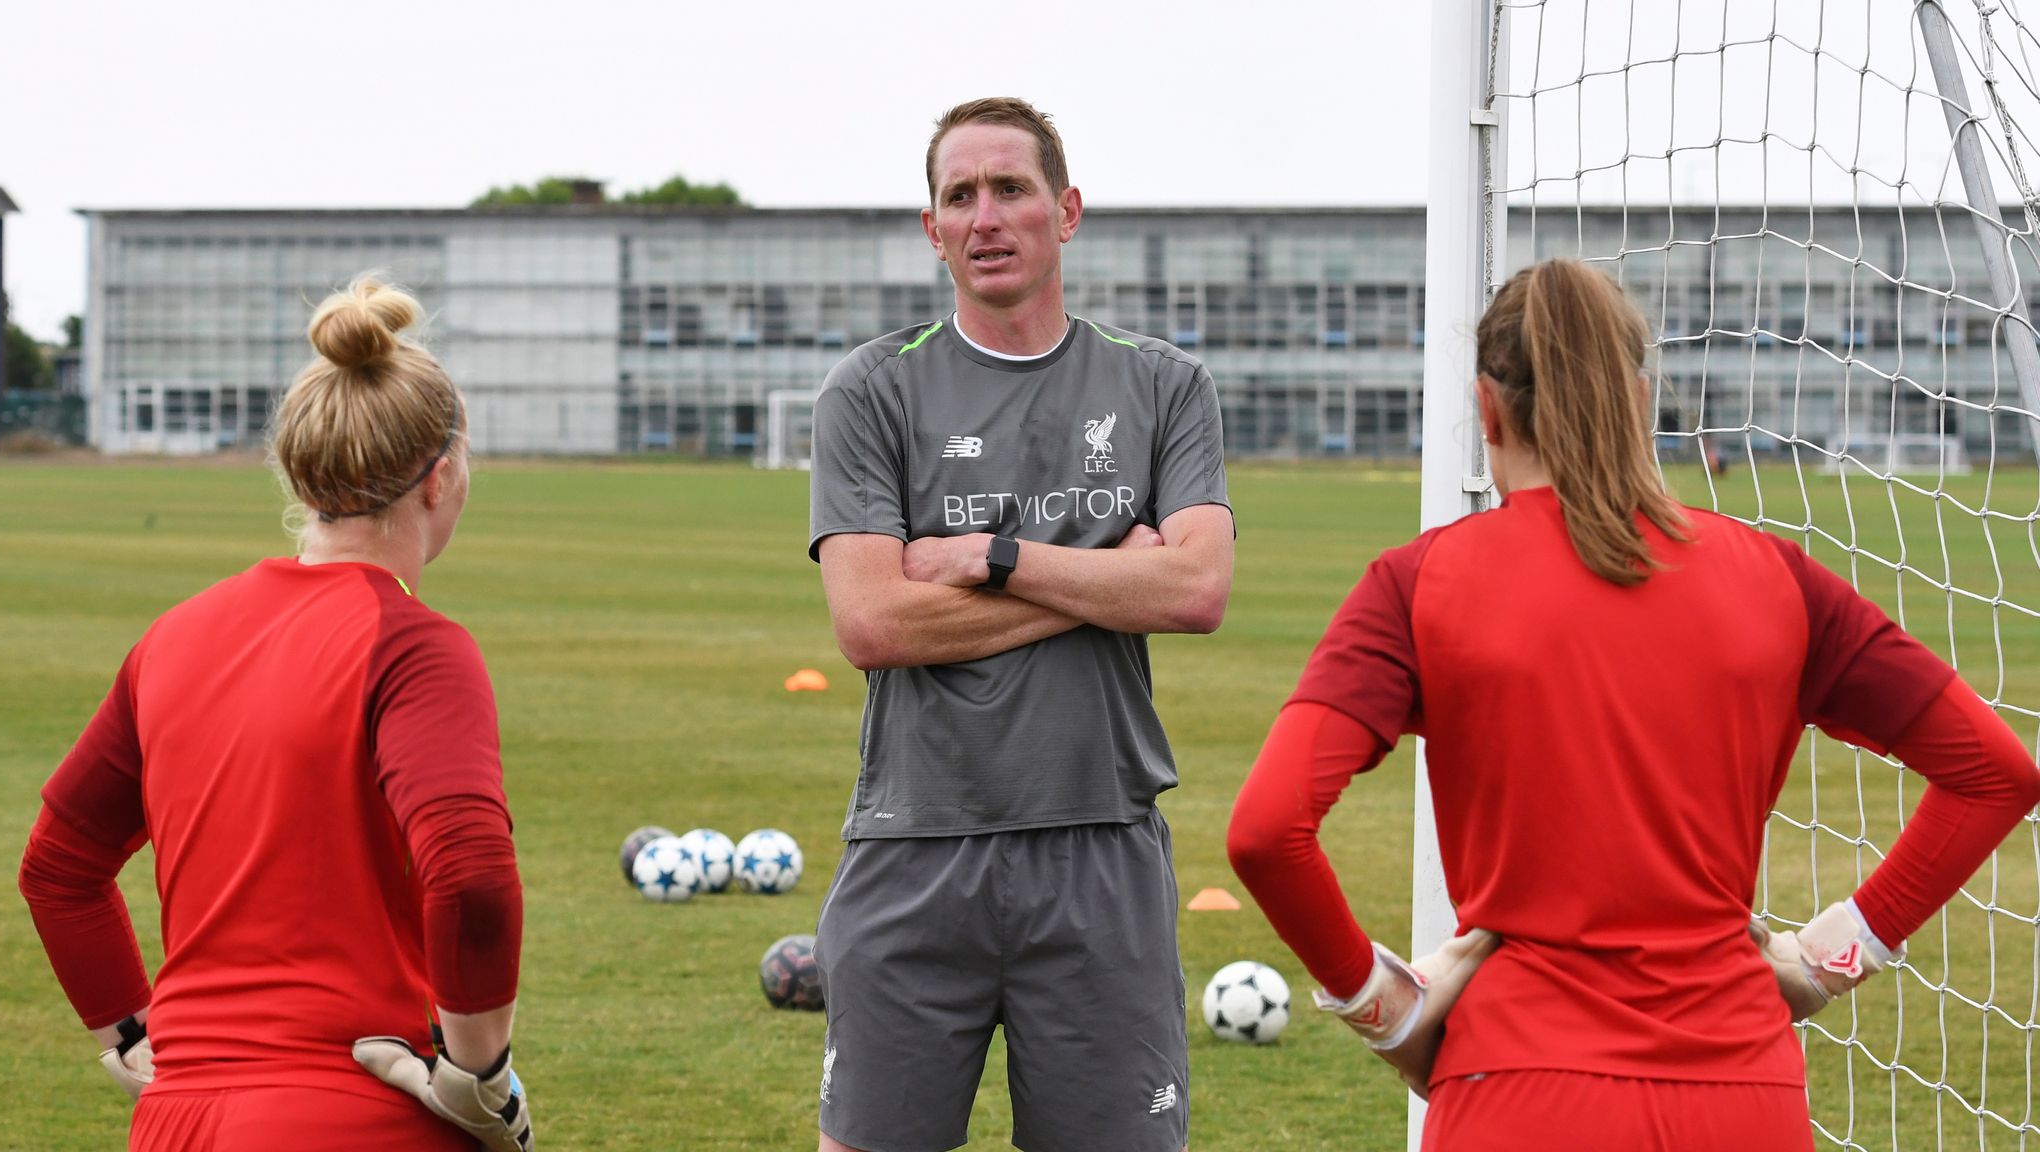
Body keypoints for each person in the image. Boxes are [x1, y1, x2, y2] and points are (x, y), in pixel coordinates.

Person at [1225, 258, 2040, 1150]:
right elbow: (1995, 774)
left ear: (1487, 411)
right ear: (1641, 399)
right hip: (1743, 1096)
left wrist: (1385, 1009)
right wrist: (1827, 958)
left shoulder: (1417, 583)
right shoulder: (1778, 579)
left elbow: (1267, 829)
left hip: (1518, 1089)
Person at [17, 277, 533, 1152]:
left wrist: (130, 1034)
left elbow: (57, 869)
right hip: (352, 1113)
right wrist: (477, 1077)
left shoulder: (172, 638)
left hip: (175, 1121)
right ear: (440, 479)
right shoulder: (414, 643)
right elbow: (473, 876)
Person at [808, 96, 1234, 1152]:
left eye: (1011, 189)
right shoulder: (869, 390)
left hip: (1098, 847)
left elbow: (1193, 592)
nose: (985, 216)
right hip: (914, 848)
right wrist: (1097, 579)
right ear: (932, 229)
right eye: (960, 195)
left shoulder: (1162, 383)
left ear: (1067, 210)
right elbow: (870, 623)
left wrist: (996, 561)